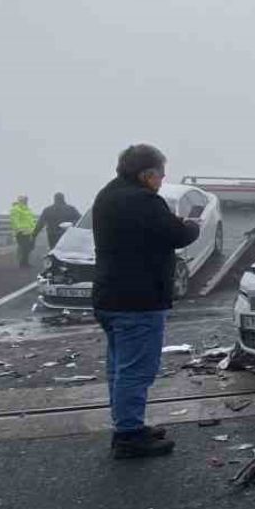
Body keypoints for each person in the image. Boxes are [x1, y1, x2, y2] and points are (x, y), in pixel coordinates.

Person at [93, 144, 199, 458]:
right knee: (136, 370)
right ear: (146, 174)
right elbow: (178, 235)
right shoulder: (142, 200)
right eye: (161, 174)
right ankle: (128, 436)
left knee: (119, 368)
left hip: (111, 296)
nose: (163, 180)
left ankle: (128, 425)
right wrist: (189, 224)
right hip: (137, 300)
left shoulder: (108, 195)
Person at [10, 195, 38, 268]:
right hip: (21, 232)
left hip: (29, 232)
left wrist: (34, 229)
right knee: (25, 247)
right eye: (25, 200)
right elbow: (14, 220)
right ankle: (23, 263)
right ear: (20, 200)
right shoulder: (15, 209)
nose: (26, 201)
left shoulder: (27, 209)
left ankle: (23, 262)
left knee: (30, 247)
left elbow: (30, 220)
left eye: (26, 200)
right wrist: (19, 229)